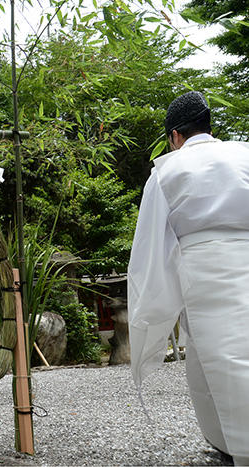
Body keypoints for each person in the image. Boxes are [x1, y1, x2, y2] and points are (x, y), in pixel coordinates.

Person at [128, 91, 249, 465]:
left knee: (222, 355)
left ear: (175, 136)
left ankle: (235, 445)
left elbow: (152, 244)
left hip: (203, 266)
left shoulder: (168, 169)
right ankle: (226, 440)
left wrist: (154, 308)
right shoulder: (244, 152)